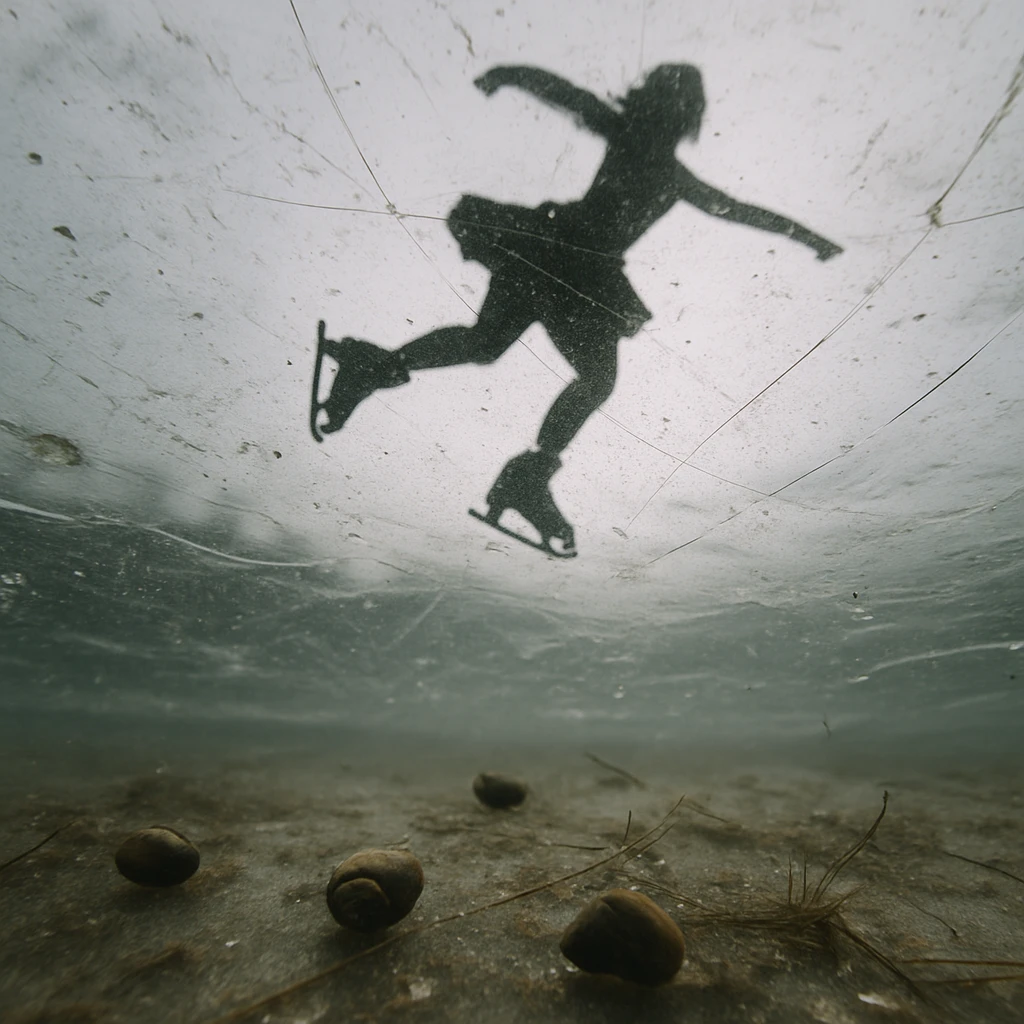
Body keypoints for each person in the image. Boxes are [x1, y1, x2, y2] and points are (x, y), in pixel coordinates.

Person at [310, 64, 842, 557]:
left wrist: (511, 76)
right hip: (578, 272)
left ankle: (375, 369)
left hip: (547, 251)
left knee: (487, 343)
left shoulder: (636, 143)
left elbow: (576, 100)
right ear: (686, 121)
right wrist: (808, 237)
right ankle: (524, 476)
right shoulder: (661, 165)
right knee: (586, 375)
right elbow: (728, 204)